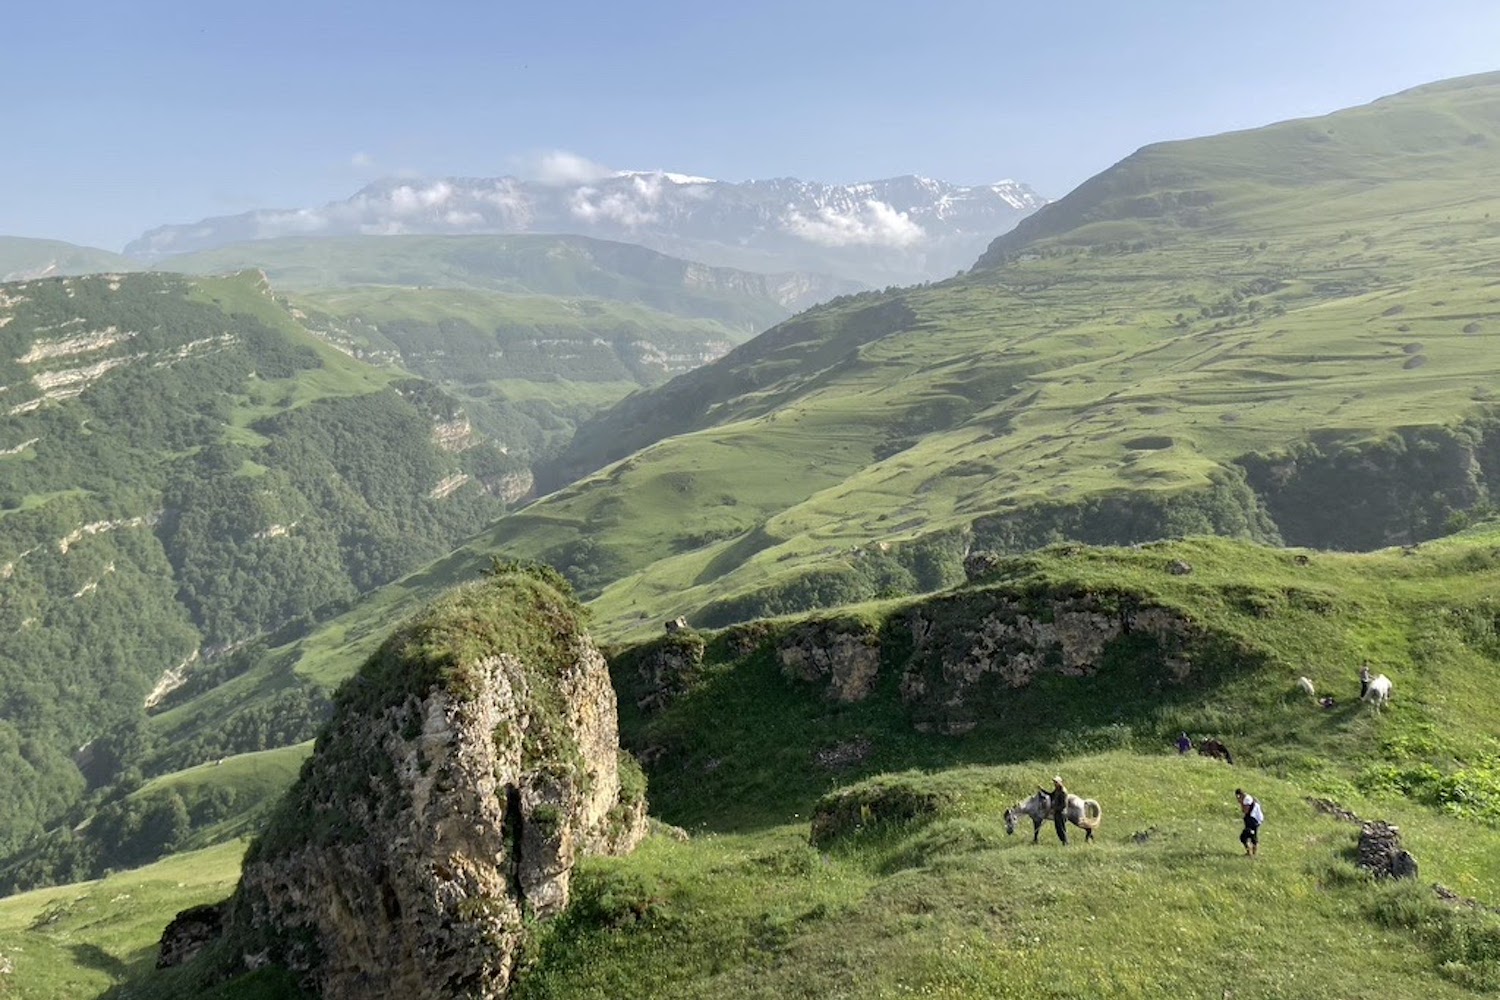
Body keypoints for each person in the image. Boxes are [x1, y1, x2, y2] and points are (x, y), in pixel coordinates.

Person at [1235, 788, 1263, 857]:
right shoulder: (1249, 798)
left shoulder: (1246, 800)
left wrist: (1241, 803)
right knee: (1252, 836)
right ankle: (1252, 853)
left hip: (1253, 820)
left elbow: (1245, 811)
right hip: (1255, 819)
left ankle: (1250, 853)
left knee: (1245, 837)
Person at [1050, 775, 1069, 845]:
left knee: (1062, 829)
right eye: (1054, 782)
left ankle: (1066, 842)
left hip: (1062, 813)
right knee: (1058, 829)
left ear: (1060, 782)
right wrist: (1042, 790)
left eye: (1056, 782)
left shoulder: (1063, 792)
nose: (1054, 783)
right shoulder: (1057, 790)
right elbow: (1051, 795)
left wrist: (1055, 809)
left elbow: (1063, 805)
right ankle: (1064, 842)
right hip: (1057, 813)